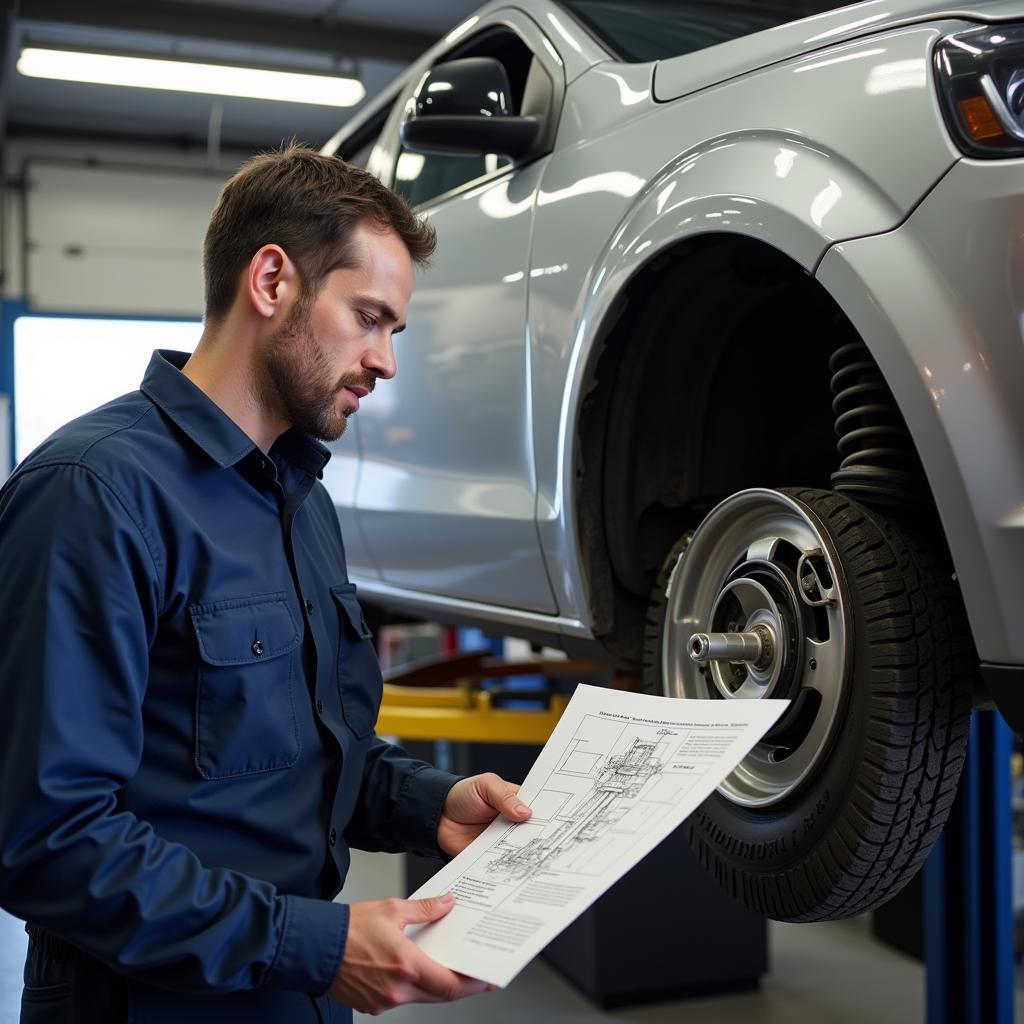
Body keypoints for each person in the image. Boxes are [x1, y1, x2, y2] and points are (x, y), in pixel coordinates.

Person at [0, 144, 532, 1023]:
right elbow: (47, 841)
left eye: (395, 330)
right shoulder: (92, 494)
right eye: (369, 318)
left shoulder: (301, 501)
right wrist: (316, 945)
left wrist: (429, 802)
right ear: (273, 280)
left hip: (297, 999)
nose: (387, 361)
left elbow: (307, 760)